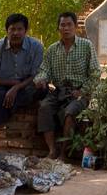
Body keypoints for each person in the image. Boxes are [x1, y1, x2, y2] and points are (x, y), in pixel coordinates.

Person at [34, 13, 99, 159]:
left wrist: (83, 91)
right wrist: (41, 80)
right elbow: (44, 70)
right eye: (63, 25)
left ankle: (64, 153)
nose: (66, 28)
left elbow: (95, 72)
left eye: (69, 25)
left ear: (76, 27)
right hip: (58, 91)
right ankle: (52, 151)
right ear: (59, 28)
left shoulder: (86, 46)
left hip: (79, 92)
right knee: (44, 108)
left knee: (70, 113)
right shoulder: (52, 49)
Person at [0, 14, 45, 131]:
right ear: (7, 31)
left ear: (26, 31)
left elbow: (36, 74)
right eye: (12, 29)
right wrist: (13, 84)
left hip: (26, 85)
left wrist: (16, 88)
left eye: (19, 29)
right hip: (3, 86)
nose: (16, 33)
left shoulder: (36, 47)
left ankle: (1, 117)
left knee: (41, 89)